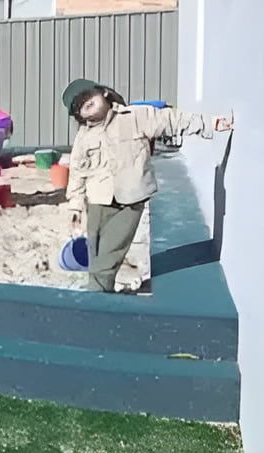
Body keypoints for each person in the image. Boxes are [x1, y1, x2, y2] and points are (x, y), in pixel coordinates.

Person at [62, 78, 233, 292]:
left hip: (130, 200)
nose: (85, 103)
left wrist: (209, 123)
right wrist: (75, 205)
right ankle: (99, 288)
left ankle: (97, 295)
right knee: (95, 251)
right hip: (99, 199)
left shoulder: (135, 117)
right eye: (78, 106)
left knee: (110, 252)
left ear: (104, 92)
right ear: (78, 116)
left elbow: (171, 119)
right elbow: (78, 172)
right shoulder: (84, 138)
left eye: (88, 96)